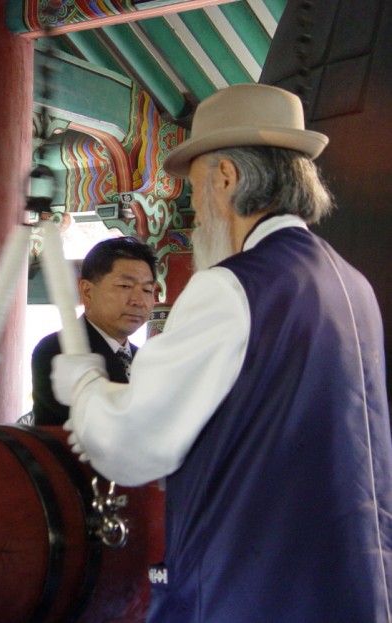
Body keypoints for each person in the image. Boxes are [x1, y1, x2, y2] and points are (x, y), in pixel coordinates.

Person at [51, 83, 392, 621]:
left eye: (194, 189)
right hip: (349, 587)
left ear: (227, 177)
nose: (193, 210)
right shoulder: (352, 283)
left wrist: (85, 386)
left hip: (253, 591)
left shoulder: (235, 287)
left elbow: (138, 439)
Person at [30, 236, 157, 425]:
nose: (138, 301)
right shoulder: (58, 350)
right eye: (125, 286)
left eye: (147, 290)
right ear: (87, 291)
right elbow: (102, 422)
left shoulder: (144, 360)